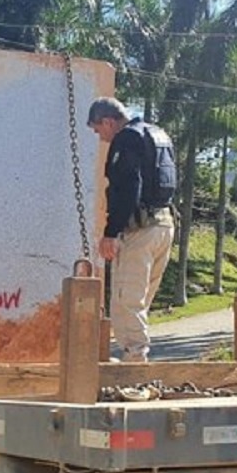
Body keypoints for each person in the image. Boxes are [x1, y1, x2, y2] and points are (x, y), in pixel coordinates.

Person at [87, 96, 177, 363]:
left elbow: (128, 187)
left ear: (108, 121)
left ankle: (135, 362)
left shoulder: (125, 138)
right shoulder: (157, 134)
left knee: (126, 301)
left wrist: (111, 233)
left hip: (139, 230)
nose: (100, 137)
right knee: (140, 301)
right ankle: (133, 357)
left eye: (97, 129)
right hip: (164, 225)